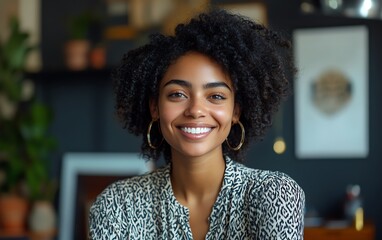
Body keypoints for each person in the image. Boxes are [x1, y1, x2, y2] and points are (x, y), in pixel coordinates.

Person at [89, 8, 305, 240]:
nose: (195, 110)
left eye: (216, 96)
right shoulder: (117, 206)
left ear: (236, 111)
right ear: (155, 107)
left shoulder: (273, 194)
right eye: (178, 94)